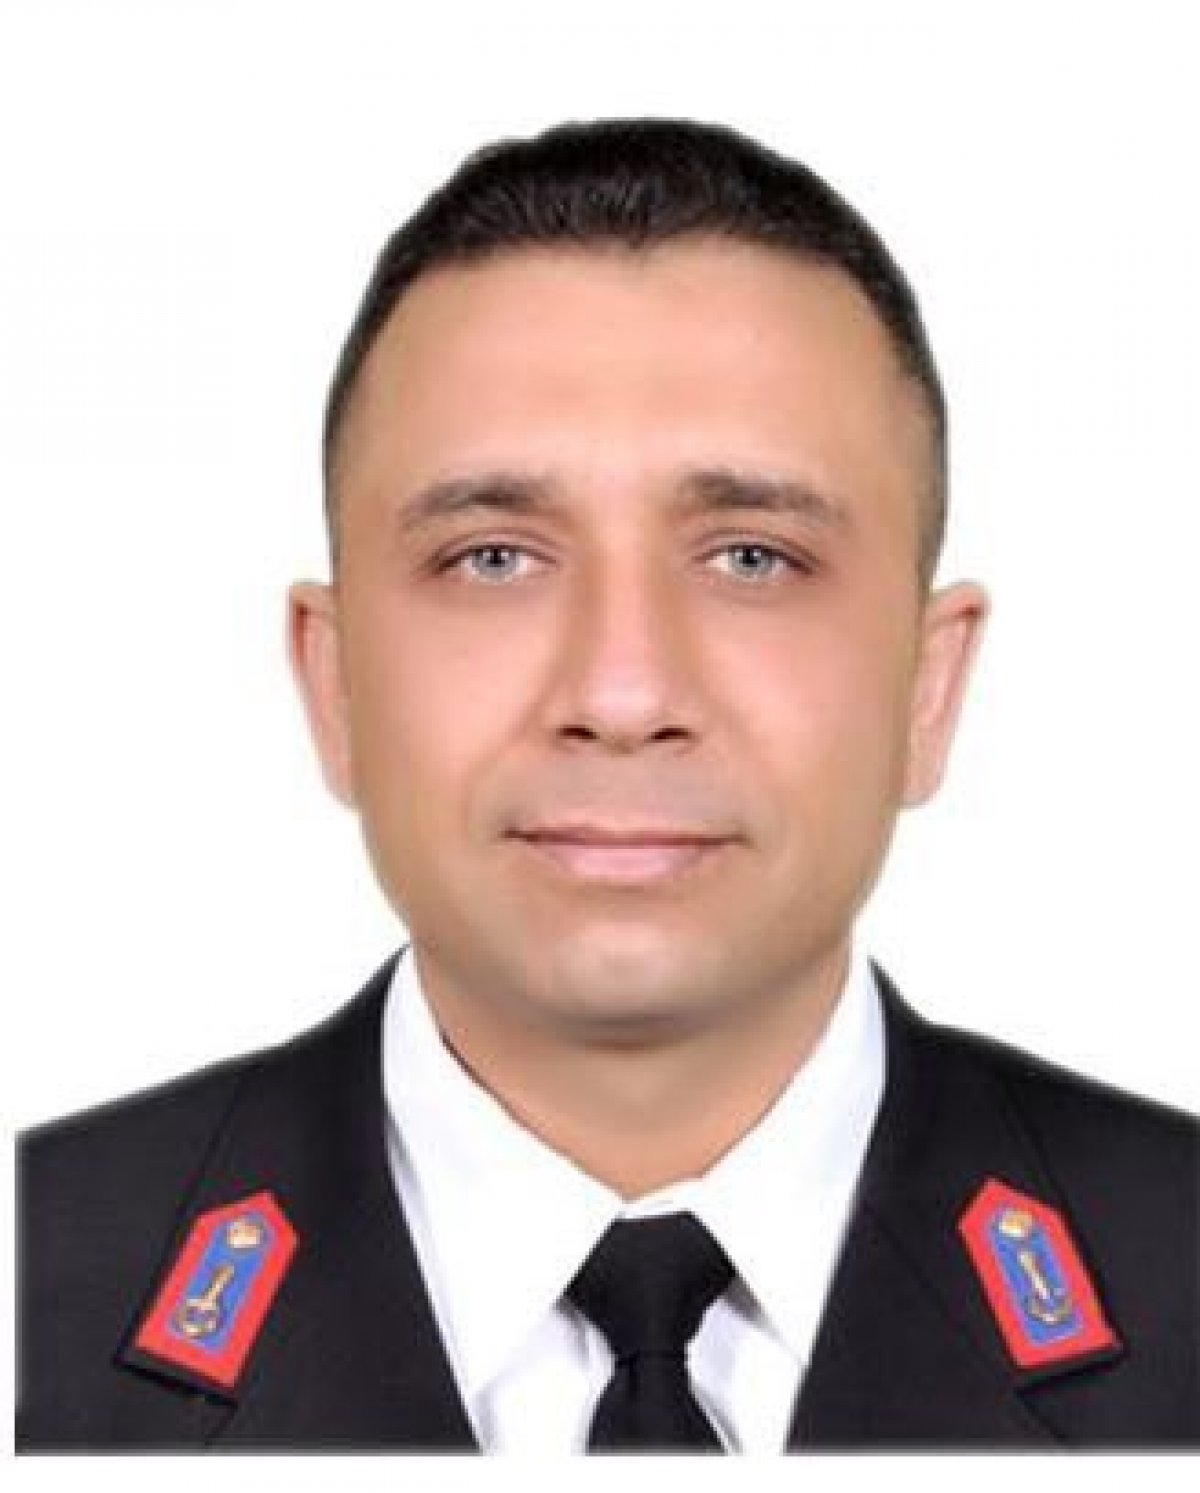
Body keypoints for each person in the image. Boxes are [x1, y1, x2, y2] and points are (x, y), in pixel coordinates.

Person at [16, 117, 1198, 1452]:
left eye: (752, 557)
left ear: (929, 686)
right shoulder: (40, 1289)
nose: (624, 694)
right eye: (494, 558)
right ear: (333, 683)